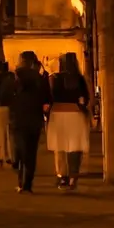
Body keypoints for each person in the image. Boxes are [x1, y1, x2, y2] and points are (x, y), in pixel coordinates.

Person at [6, 51, 51, 193]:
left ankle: (19, 175)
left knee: (19, 148)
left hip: (18, 118)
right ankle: (27, 184)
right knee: (31, 152)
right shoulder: (41, 78)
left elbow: (6, 96)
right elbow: (47, 100)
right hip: (34, 119)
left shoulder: (14, 77)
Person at [46, 53, 90, 190]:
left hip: (57, 114)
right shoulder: (79, 79)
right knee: (74, 148)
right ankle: (73, 177)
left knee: (60, 147)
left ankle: (62, 176)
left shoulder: (54, 78)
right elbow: (85, 99)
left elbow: (49, 97)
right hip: (75, 114)